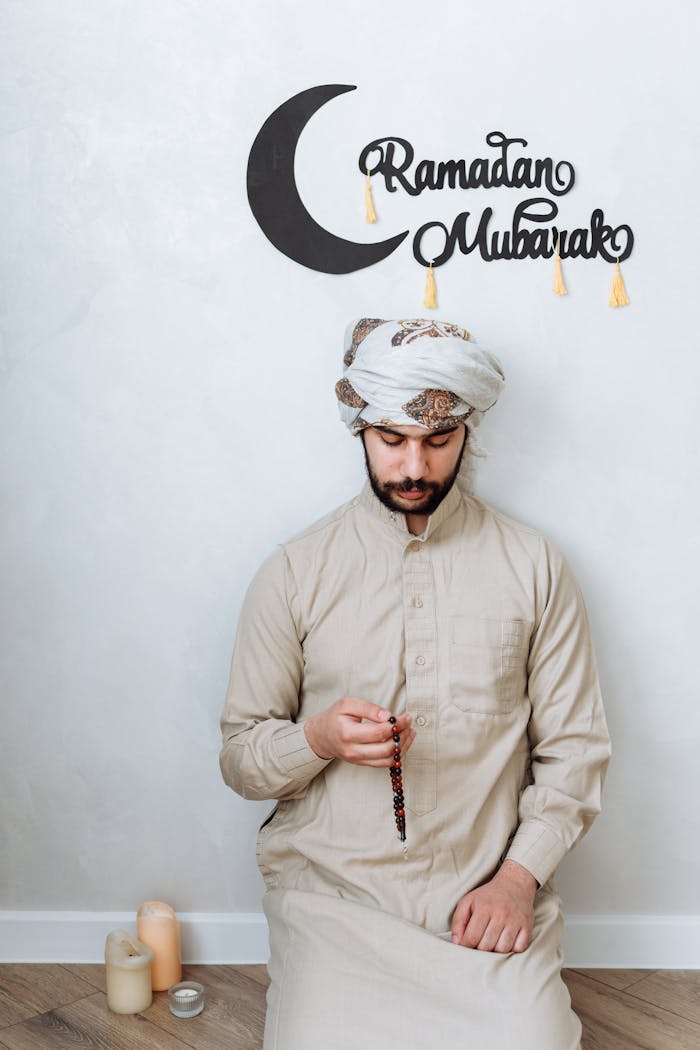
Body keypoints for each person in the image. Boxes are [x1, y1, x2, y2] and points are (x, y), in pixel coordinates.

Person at [219, 316, 611, 1050]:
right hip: (333, 897)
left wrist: (517, 881)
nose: (413, 468)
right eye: (390, 440)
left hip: (481, 895)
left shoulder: (535, 566)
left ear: (468, 434)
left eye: (437, 442)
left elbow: (576, 754)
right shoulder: (295, 569)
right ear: (359, 430)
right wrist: (318, 739)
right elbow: (241, 758)